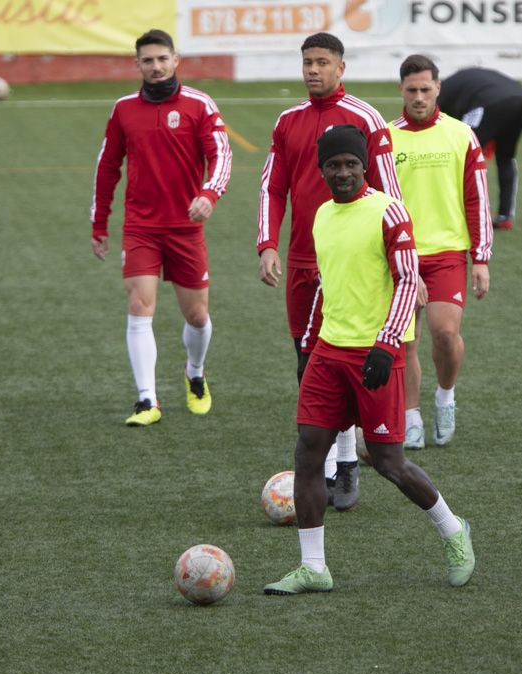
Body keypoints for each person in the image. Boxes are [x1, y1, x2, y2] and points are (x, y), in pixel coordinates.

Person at [262, 125, 475, 595]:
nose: (343, 173)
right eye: (334, 165)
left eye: (351, 164)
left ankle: (453, 529)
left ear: (364, 167)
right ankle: (313, 567)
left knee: (389, 463)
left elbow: (406, 281)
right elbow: (327, 286)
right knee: (308, 452)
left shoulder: (389, 213)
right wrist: (307, 344)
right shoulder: (320, 217)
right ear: (322, 170)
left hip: (377, 354)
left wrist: (387, 342)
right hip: (329, 353)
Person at [257, 32, 403, 509]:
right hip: (303, 260)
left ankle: (345, 464)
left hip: (356, 261)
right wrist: (268, 244)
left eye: (322, 62)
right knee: (309, 360)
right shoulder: (288, 121)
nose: (313, 70)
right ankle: (323, 462)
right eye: (307, 62)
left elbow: (391, 193)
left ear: (342, 68)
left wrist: (406, 266)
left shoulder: (365, 118)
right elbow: (272, 186)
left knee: (350, 357)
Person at [90, 29, 232, 426]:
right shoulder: (122, 110)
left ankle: (195, 372)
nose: (155, 67)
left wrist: (209, 194)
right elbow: (107, 166)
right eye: (147, 60)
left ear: (176, 60)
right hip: (141, 227)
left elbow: (220, 155)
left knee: (198, 316)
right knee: (139, 306)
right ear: (137, 65)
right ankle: (146, 400)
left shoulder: (199, 105)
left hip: (186, 228)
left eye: (161, 59)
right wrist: (98, 221)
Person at [388, 55, 494, 449]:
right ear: (401, 89)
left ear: (438, 89)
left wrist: (480, 258)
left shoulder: (461, 135)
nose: (418, 97)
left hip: (447, 253)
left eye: (425, 89)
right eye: (411, 90)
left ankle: (445, 397)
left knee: (446, 333)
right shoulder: (384, 137)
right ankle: (410, 414)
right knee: (405, 341)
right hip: (399, 255)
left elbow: (477, 199)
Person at [436, 67, 522, 231]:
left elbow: (439, 125)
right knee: (505, 157)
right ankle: (505, 216)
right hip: (521, 101)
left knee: (462, 157)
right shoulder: (460, 81)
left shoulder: (438, 95)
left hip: (490, 103)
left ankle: (460, 213)